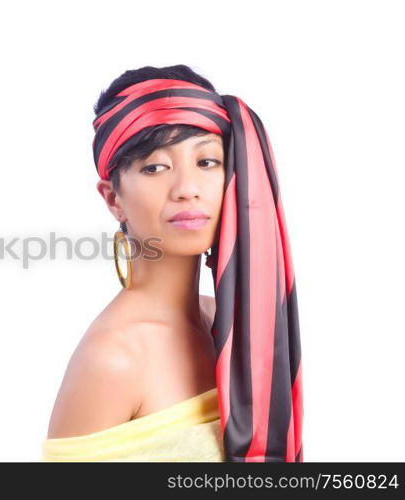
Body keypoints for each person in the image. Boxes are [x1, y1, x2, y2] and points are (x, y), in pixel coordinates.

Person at [44, 65, 303, 462]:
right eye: (155, 167)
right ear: (113, 199)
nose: (186, 189)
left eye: (207, 162)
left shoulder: (232, 320)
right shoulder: (114, 357)